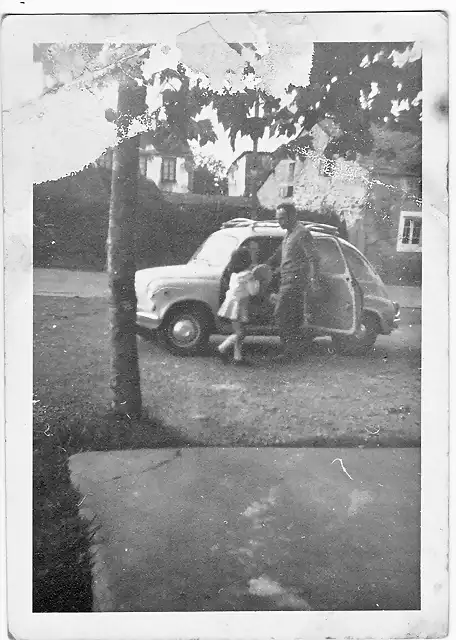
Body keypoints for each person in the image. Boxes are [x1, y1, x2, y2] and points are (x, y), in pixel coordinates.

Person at [267, 203, 320, 362]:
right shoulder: (289, 234)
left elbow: (313, 258)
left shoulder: (302, 233)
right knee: (292, 317)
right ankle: (295, 351)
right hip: (286, 280)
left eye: (282, 218)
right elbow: (279, 255)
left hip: (295, 282)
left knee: (281, 314)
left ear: (292, 216)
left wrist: (313, 279)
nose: (279, 222)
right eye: (278, 219)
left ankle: (289, 352)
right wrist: (264, 265)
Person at [217, 247, 260, 364]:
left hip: (233, 306)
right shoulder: (248, 275)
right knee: (241, 333)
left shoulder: (234, 275)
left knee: (239, 332)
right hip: (239, 306)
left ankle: (237, 357)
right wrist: (257, 281)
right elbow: (253, 291)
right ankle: (223, 348)